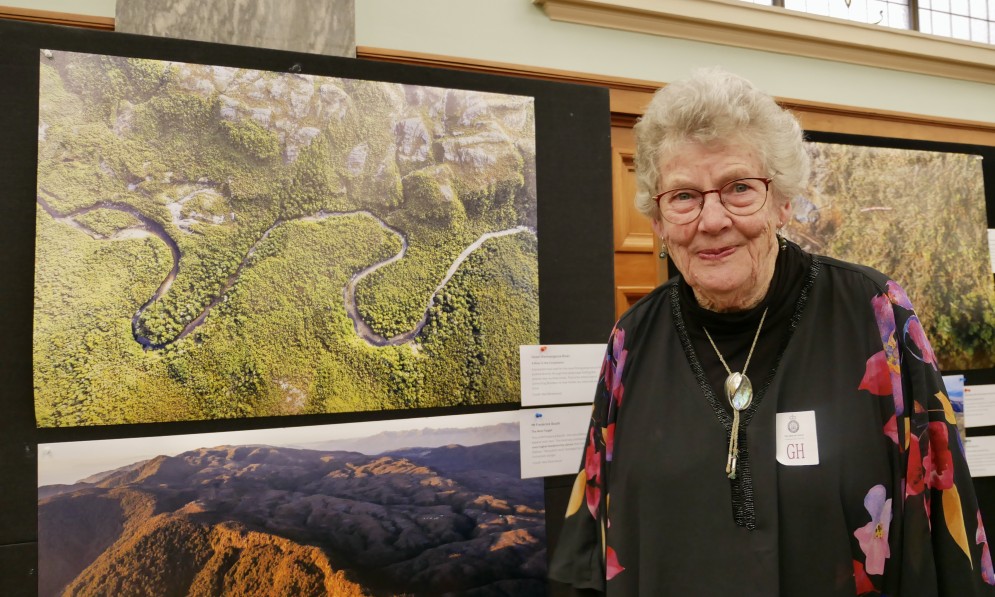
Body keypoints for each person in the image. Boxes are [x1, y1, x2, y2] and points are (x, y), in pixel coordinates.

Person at [548, 68, 995, 596]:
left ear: (782, 201)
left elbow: (948, 530)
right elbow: (591, 543)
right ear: (660, 222)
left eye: (739, 188)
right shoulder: (633, 341)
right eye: (684, 196)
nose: (711, 220)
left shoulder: (875, 314)